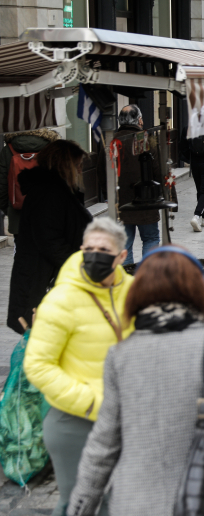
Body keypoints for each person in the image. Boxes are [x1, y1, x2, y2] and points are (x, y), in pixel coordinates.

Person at [65, 246, 204, 516]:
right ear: (196, 289)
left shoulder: (120, 354)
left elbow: (103, 444)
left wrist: (80, 507)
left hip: (132, 504)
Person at [24, 218, 134, 516]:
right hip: (76, 422)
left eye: (104, 249)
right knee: (78, 505)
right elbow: (38, 364)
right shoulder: (61, 299)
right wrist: (90, 403)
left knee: (123, 503)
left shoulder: (136, 293)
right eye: (90, 248)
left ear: (122, 256)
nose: (95, 254)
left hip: (128, 419)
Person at [6, 140, 92, 334]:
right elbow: (50, 241)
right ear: (65, 165)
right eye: (77, 165)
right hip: (43, 283)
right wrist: (82, 262)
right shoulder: (48, 193)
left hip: (51, 279)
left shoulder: (58, 191)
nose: (80, 170)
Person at [114, 105, 160, 264]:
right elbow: (159, 170)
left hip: (121, 200)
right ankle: (148, 279)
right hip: (145, 199)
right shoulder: (145, 138)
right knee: (150, 238)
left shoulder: (112, 141)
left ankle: (127, 282)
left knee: (125, 244)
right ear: (139, 120)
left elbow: (101, 172)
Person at [0, 126, 58, 239]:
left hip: (18, 212)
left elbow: (2, 184)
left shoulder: (8, 149)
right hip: (47, 212)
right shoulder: (53, 148)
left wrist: (7, 209)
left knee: (22, 251)